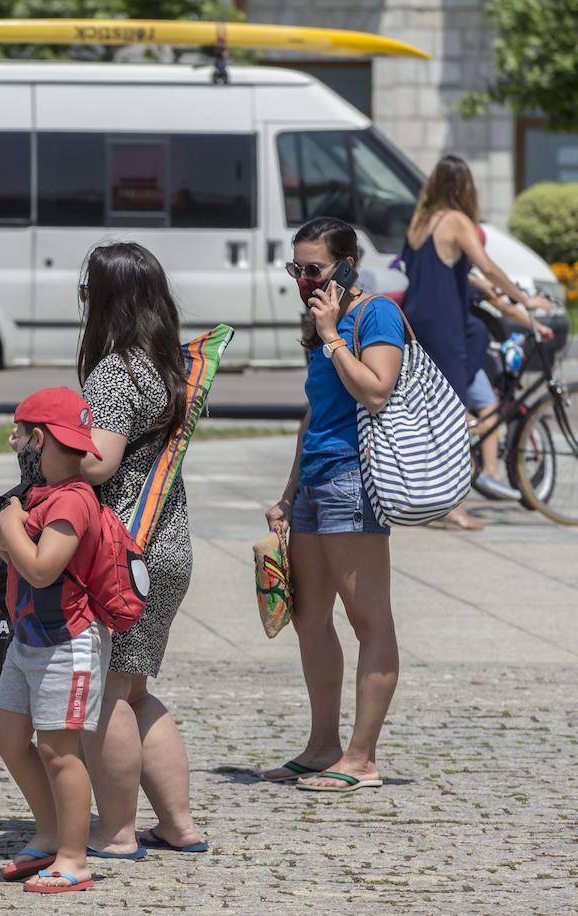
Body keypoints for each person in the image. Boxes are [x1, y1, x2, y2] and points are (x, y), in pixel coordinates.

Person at [68, 242, 207, 856]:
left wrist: (37, 446)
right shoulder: (170, 366)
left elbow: (100, 463)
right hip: (168, 543)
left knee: (107, 691)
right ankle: (178, 824)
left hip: (123, 552)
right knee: (137, 689)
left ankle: (117, 830)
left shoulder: (116, 371)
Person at [263, 216, 406, 793]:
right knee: (308, 618)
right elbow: (314, 414)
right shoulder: (325, 320)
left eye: (313, 268)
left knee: (368, 619)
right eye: (295, 268)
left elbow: (376, 389)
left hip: (355, 479)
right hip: (317, 481)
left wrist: (332, 336)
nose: (302, 279)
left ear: (347, 264)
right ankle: (323, 745)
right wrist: (288, 490)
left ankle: (362, 758)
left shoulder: (376, 314)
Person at [0, 388, 109, 894]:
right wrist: (12, 528)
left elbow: (41, 569)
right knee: (7, 736)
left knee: (60, 751)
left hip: (68, 645)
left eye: (17, 435)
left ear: (38, 439)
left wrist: (12, 527)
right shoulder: (40, 497)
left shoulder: (74, 501)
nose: (13, 443)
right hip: (29, 641)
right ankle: (49, 831)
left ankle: (74, 857)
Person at [401, 155, 552, 530]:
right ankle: (451, 506)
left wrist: (498, 299)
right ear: (465, 187)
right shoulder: (455, 220)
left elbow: (460, 274)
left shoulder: (420, 223)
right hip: (445, 324)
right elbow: (485, 264)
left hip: (417, 319)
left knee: (433, 413)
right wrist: (525, 298)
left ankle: (431, 501)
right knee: (453, 414)